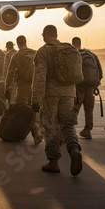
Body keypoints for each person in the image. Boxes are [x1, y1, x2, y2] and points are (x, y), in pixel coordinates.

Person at [31, 25, 82, 176]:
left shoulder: (44, 51)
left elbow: (40, 77)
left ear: (45, 35)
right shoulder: (69, 49)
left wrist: (36, 98)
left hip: (51, 95)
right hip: (69, 93)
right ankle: (73, 149)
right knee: (67, 124)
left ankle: (53, 162)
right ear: (56, 34)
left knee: (50, 126)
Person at [5, 35, 43, 145]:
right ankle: (38, 130)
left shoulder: (16, 56)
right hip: (36, 87)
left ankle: (33, 132)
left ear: (17, 44)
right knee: (35, 109)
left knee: (22, 110)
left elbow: (10, 73)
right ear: (26, 42)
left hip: (23, 87)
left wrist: (7, 87)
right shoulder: (35, 53)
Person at [72, 37, 103, 139]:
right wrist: (95, 84)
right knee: (89, 110)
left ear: (73, 44)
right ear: (80, 43)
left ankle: (70, 131)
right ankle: (88, 130)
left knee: (74, 109)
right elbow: (100, 72)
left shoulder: (74, 55)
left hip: (78, 88)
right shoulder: (92, 55)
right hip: (90, 88)